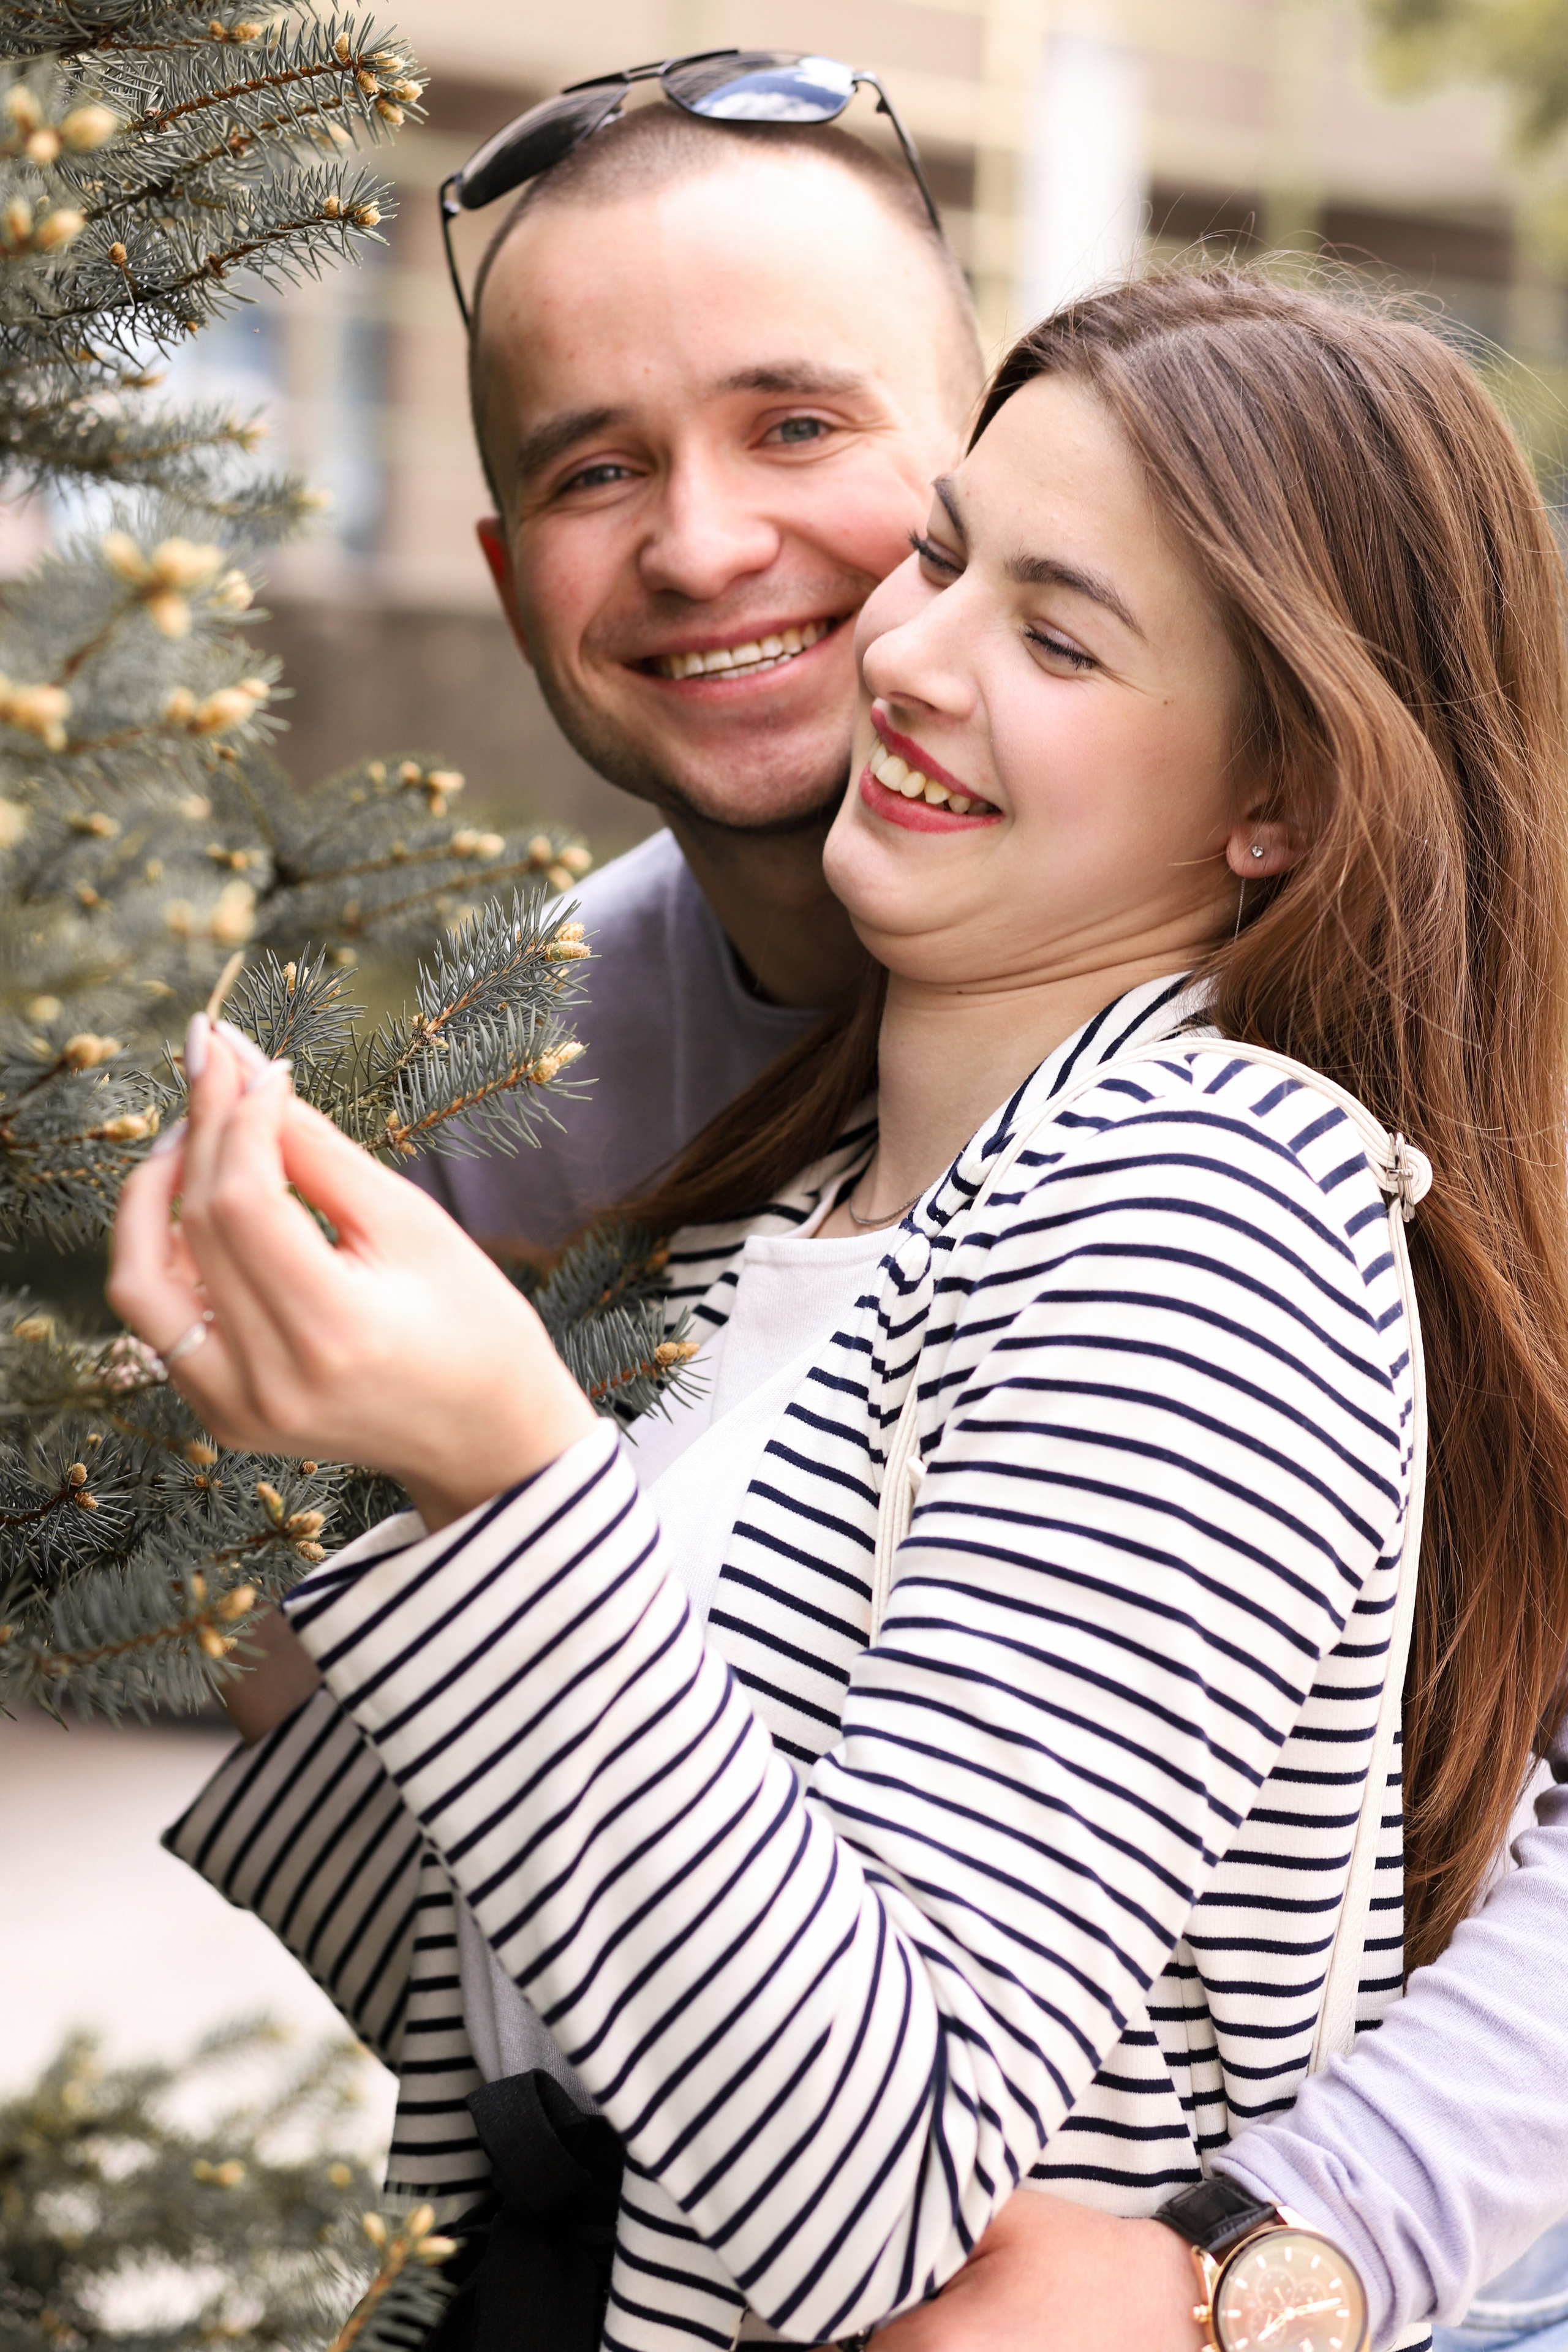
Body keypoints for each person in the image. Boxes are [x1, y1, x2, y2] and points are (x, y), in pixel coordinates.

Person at [111, 270, 1568, 2352]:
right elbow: (560, 2032)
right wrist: (277, 1516)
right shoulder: (791, 1211)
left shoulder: (1216, 1200)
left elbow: (863, 2193)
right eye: (948, 559)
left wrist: (502, 1473)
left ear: (1286, 805)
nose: (910, 656)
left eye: (1058, 639)